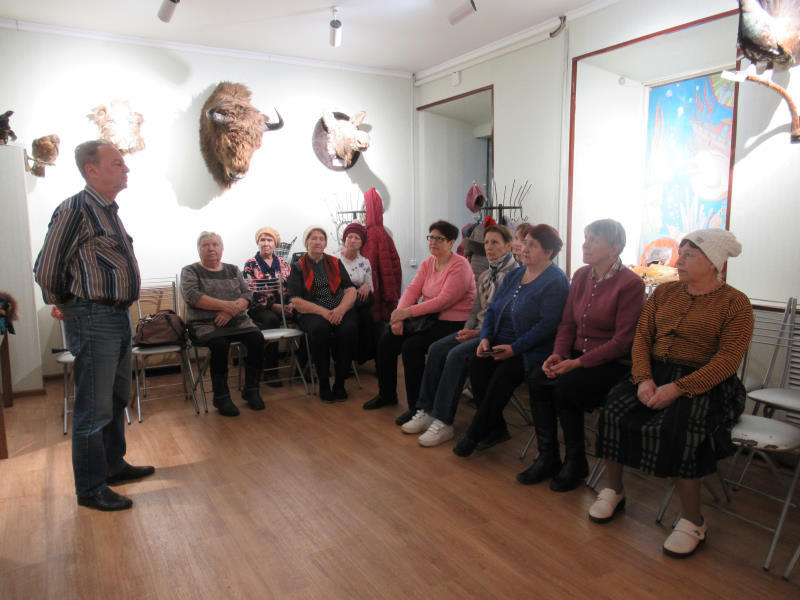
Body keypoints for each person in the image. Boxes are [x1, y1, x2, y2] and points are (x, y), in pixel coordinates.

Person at [589, 229, 753, 559]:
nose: (680, 261)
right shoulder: (664, 293)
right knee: (613, 411)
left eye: (690, 255)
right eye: (681, 253)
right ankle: (614, 489)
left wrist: (678, 388)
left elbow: (727, 361)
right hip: (654, 373)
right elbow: (642, 339)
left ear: (713, 262)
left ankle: (693, 521)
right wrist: (643, 379)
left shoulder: (736, 303)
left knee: (681, 429)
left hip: (706, 381)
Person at [34, 139, 154, 512]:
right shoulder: (76, 209)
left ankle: (112, 465)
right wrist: (67, 304)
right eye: (117, 163)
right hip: (92, 317)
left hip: (116, 316)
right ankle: (90, 487)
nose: (126, 168)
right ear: (92, 169)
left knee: (116, 398)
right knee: (94, 406)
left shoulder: (108, 211)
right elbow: (46, 269)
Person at [519, 219, 645, 491]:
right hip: (577, 354)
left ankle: (576, 461)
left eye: (593, 240)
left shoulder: (631, 284)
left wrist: (577, 363)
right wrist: (558, 354)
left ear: (614, 249)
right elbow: (567, 323)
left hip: (613, 363)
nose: (585, 245)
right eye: (585, 238)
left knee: (566, 388)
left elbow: (622, 342)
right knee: (538, 379)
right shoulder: (580, 275)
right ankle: (548, 456)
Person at [453, 224, 569, 457]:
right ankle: (496, 429)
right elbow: (493, 309)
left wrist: (514, 348)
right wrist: (485, 337)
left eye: (532, 245)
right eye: (524, 243)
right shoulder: (515, 275)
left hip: (532, 349)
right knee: (477, 365)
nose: (524, 249)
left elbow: (547, 326)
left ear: (548, 252)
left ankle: (474, 434)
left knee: (503, 375)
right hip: (500, 341)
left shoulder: (555, 280)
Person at [401, 225, 518, 446]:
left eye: (495, 242)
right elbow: (476, 310)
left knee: (455, 355)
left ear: (508, 245)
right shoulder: (487, 275)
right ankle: (426, 409)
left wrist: (478, 332)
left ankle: (443, 420)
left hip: (495, 335)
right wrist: (468, 328)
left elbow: (506, 317)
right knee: (436, 348)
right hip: (477, 330)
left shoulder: (514, 276)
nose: (489, 247)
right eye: (486, 243)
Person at [363, 220, 477, 426]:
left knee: (411, 347)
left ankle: (417, 406)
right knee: (387, 339)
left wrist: (406, 312)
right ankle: (387, 394)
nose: (433, 242)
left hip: (453, 322)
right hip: (428, 319)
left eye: (439, 239)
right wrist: (398, 317)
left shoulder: (460, 265)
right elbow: (412, 290)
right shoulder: (428, 263)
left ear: (451, 242)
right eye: (431, 237)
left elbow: (443, 301)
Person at [181, 232, 265, 417]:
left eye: (215, 244)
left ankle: (251, 389)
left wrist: (230, 311)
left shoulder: (233, 269)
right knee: (220, 345)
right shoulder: (190, 271)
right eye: (205, 245)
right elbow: (193, 296)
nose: (211, 248)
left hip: (238, 321)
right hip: (204, 324)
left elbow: (248, 294)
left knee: (257, 339)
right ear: (199, 249)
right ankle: (221, 396)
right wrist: (226, 306)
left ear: (222, 248)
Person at [287, 226, 357, 402]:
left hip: (338, 308)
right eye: (313, 238)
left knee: (348, 330)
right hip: (311, 310)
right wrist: (324, 312)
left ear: (325, 243)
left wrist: (341, 309)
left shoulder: (335, 262)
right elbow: (295, 300)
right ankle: (324, 384)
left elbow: (350, 289)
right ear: (306, 242)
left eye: (321, 238)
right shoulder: (297, 267)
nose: (317, 242)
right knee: (320, 330)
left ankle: (340, 383)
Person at [242, 226, 292, 386]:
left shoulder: (284, 263)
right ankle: (271, 371)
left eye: (269, 240)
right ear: (258, 243)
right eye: (262, 240)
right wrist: (273, 306)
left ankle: (303, 367)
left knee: (306, 316)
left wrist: (290, 304)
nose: (266, 243)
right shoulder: (250, 264)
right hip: (260, 308)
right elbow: (251, 292)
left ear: (275, 243)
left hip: (284, 306)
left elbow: (292, 287)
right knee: (272, 320)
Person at [335, 222, 377, 363]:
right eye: (349, 237)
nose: (352, 240)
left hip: (358, 300)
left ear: (362, 243)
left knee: (367, 316)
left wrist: (366, 286)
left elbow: (370, 287)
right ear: (345, 239)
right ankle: (347, 360)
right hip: (340, 299)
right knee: (356, 320)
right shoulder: (334, 259)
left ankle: (360, 356)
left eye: (356, 238)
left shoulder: (364, 262)